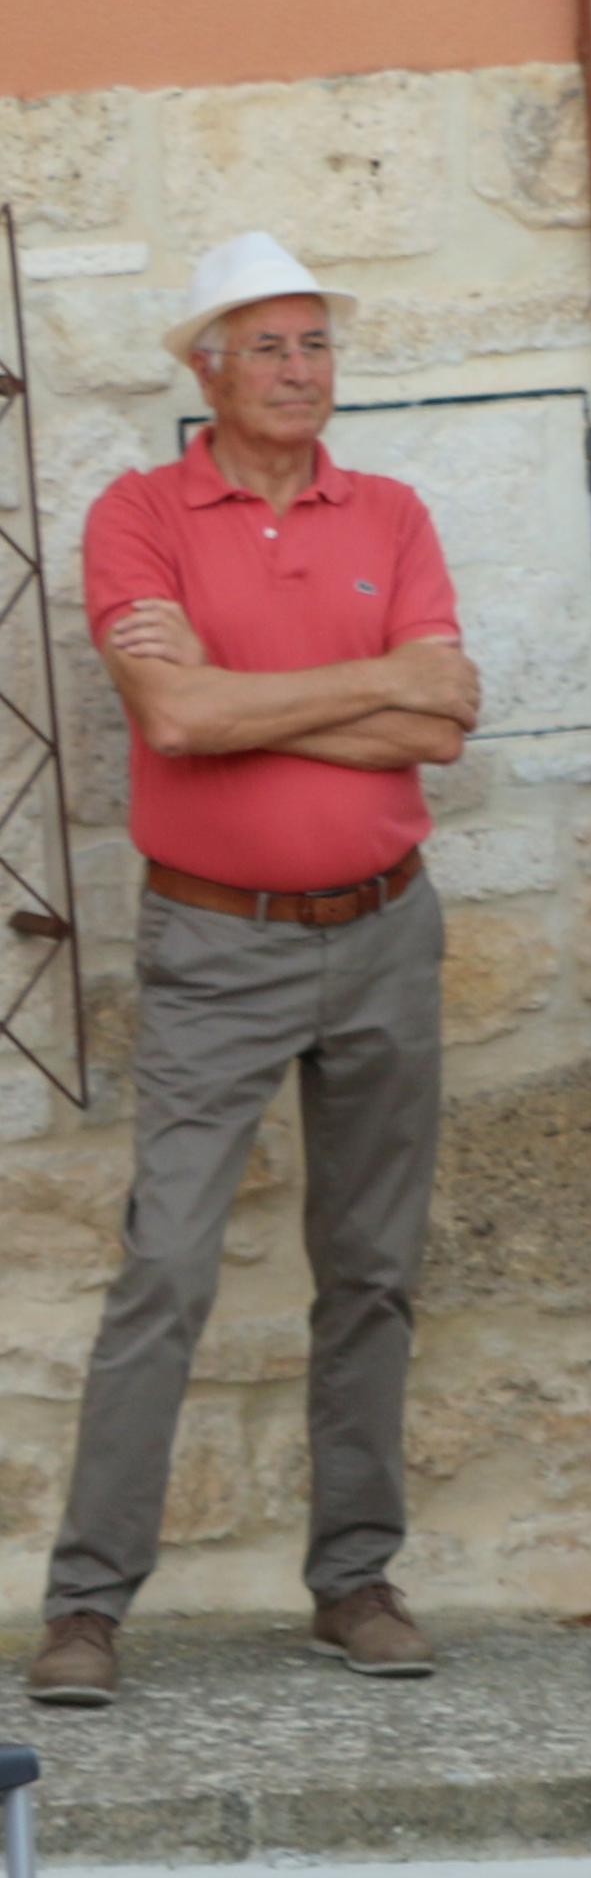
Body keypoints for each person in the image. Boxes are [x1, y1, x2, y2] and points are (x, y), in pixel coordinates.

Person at [26, 234, 479, 1708]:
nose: (300, 370)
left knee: (373, 1271)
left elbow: (443, 722)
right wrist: (357, 686)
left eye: (316, 343)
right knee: (165, 1265)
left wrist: (238, 691)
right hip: (217, 941)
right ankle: (87, 1606)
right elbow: (173, 722)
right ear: (206, 370)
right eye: (269, 345)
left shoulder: (391, 512)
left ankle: (354, 1581)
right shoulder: (141, 515)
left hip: (387, 929)